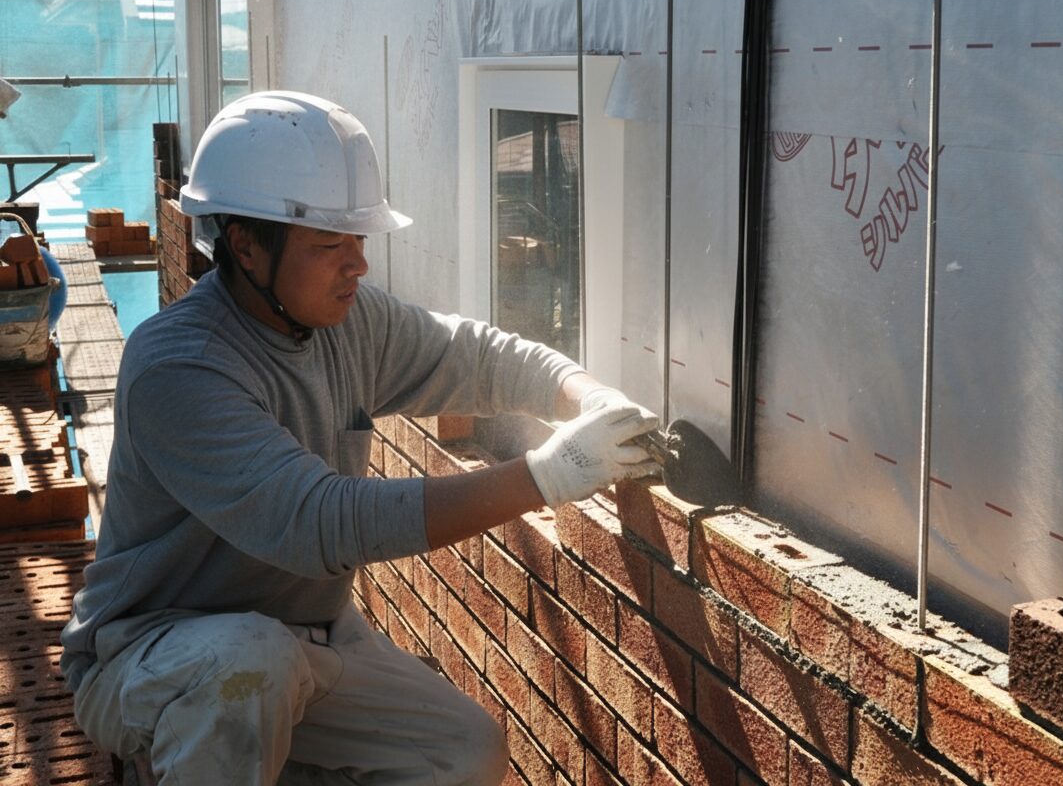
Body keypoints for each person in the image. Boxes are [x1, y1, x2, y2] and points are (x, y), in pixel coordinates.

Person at [61, 90, 660, 785]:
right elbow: (320, 522)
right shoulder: (178, 368)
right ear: (245, 245)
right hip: (153, 652)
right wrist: (545, 476)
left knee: (462, 752)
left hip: (301, 640)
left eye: (359, 239)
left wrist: (587, 394)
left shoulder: (348, 323)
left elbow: (476, 355)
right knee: (249, 670)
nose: (358, 264)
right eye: (328, 244)